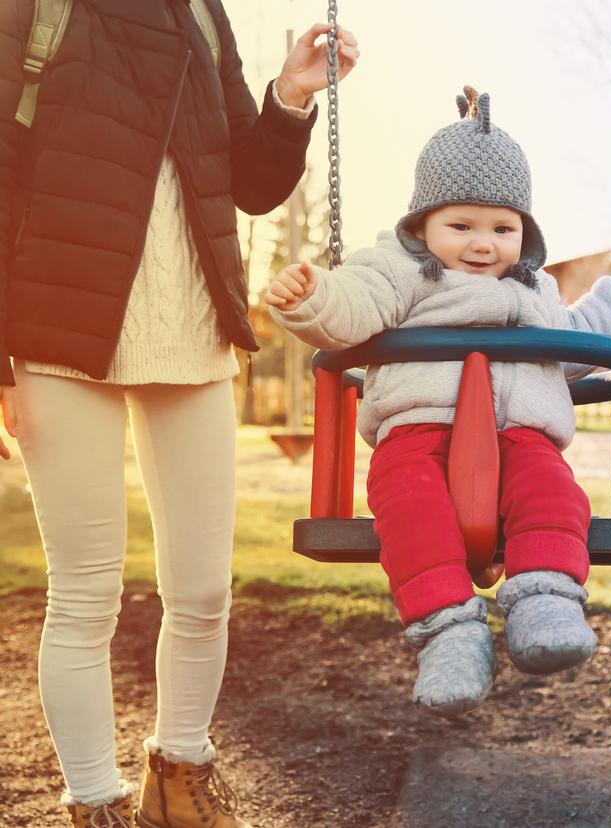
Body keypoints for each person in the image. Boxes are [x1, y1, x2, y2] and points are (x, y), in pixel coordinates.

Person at [0, 2, 359, 825]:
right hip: (58, 329)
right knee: (85, 592)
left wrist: (291, 97)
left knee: (201, 591)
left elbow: (249, 181)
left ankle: (180, 779)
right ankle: (94, 802)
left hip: (194, 325)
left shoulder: (199, 9)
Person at [266, 87, 611, 718]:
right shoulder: (398, 272)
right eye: (462, 226)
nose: (483, 244)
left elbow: (574, 344)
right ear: (422, 225)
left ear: (524, 234)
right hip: (418, 433)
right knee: (408, 506)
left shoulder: (534, 288)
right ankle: (449, 632)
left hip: (522, 436)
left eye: (503, 229)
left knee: (554, 494)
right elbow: (352, 310)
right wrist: (313, 297)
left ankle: (545, 602)